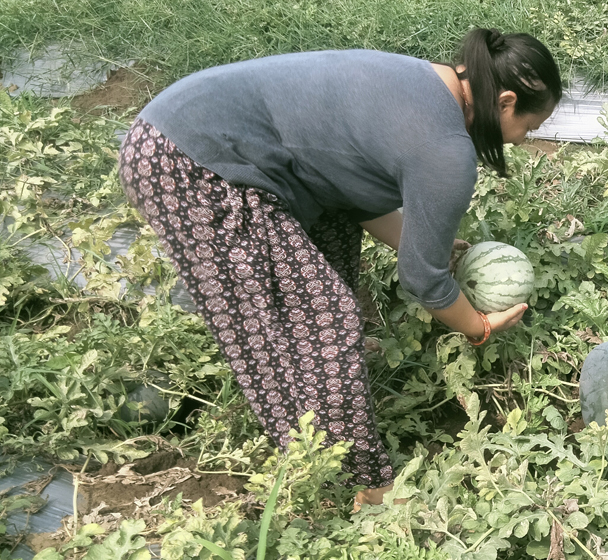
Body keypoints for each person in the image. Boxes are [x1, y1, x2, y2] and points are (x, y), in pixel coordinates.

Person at [116, 28, 562, 510]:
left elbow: (344, 179)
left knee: (330, 241)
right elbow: (424, 280)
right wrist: (477, 327)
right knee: (320, 321)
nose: (523, 141)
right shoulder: (447, 150)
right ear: (506, 102)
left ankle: (326, 385)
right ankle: (355, 480)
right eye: (530, 128)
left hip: (179, 129)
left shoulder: (425, 80)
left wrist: (420, 240)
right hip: (195, 162)